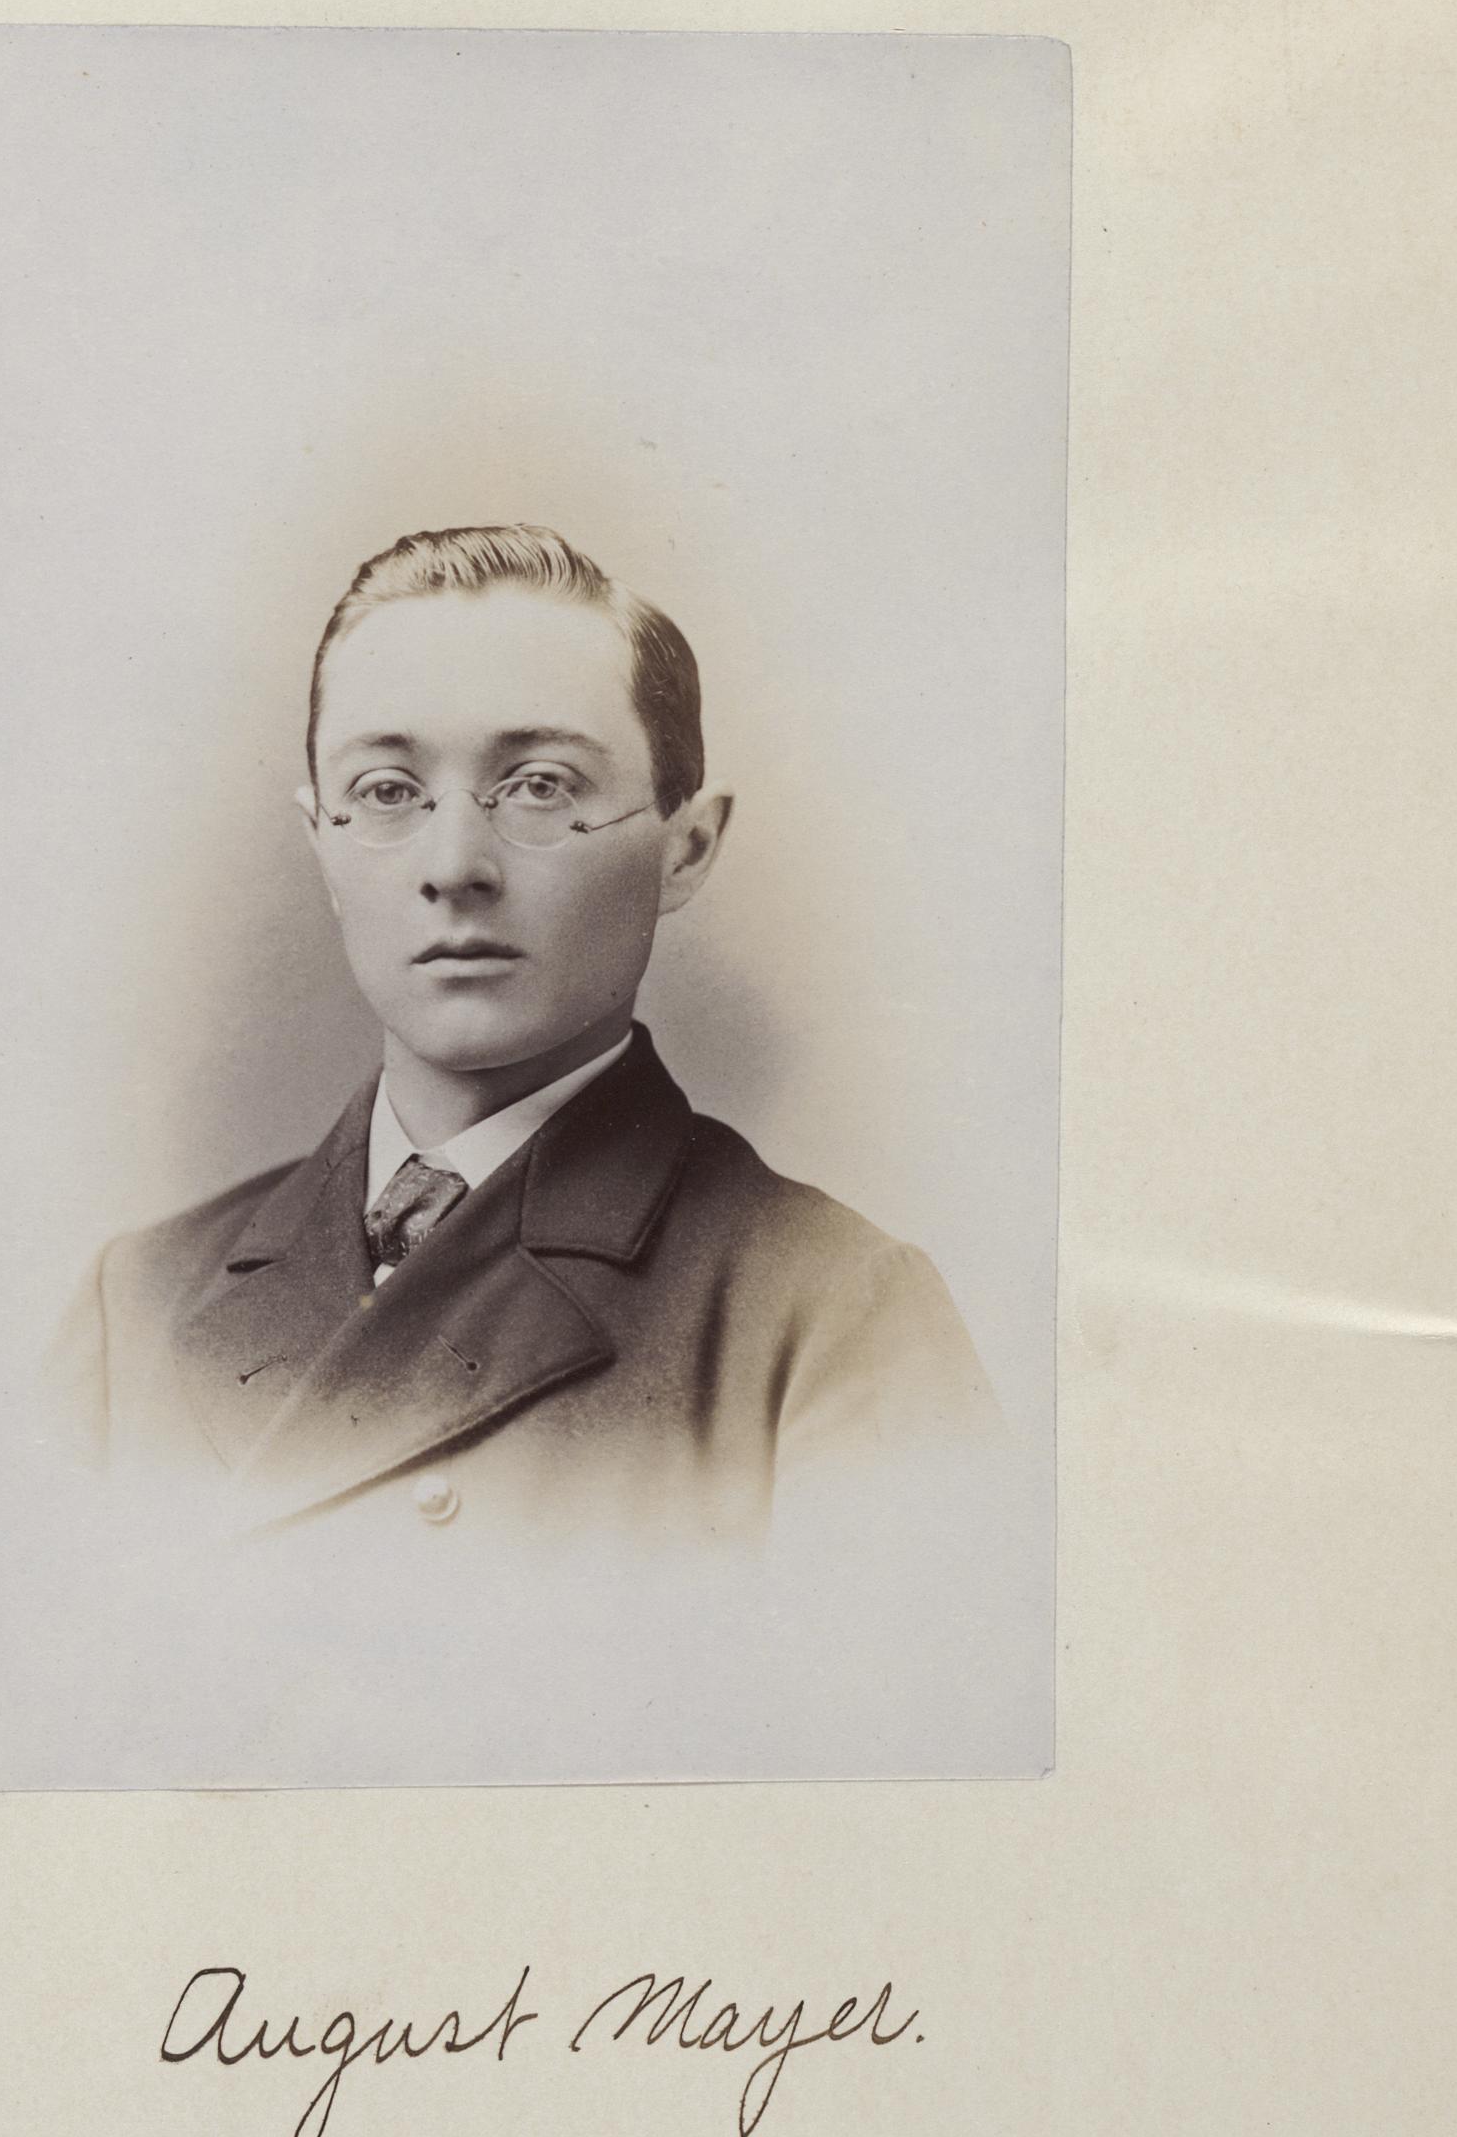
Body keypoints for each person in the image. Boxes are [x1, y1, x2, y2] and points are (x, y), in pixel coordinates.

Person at [52, 524, 998, 1549]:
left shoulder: (831, 1317)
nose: (454, 865)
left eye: (541, 785)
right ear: (321, 843)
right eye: (386, 791)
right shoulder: (134, 1307)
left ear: (685, 849)